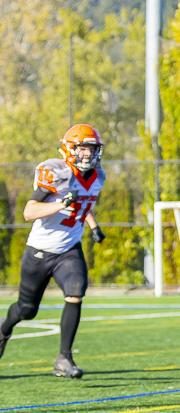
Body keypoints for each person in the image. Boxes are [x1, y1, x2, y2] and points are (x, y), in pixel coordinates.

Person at [0, 124, 107, 377]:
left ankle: (64, 358)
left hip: (69, 248)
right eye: (82, 148)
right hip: (40, 249)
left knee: (76, 292)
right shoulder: (55, 172)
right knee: (27, 310)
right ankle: (4, 329)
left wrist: (94, 226)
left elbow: (83, 204)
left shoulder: (98, 177)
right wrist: (60, 203)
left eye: (91, 149)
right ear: (70, 149)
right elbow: (29, 212)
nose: (87, 154)